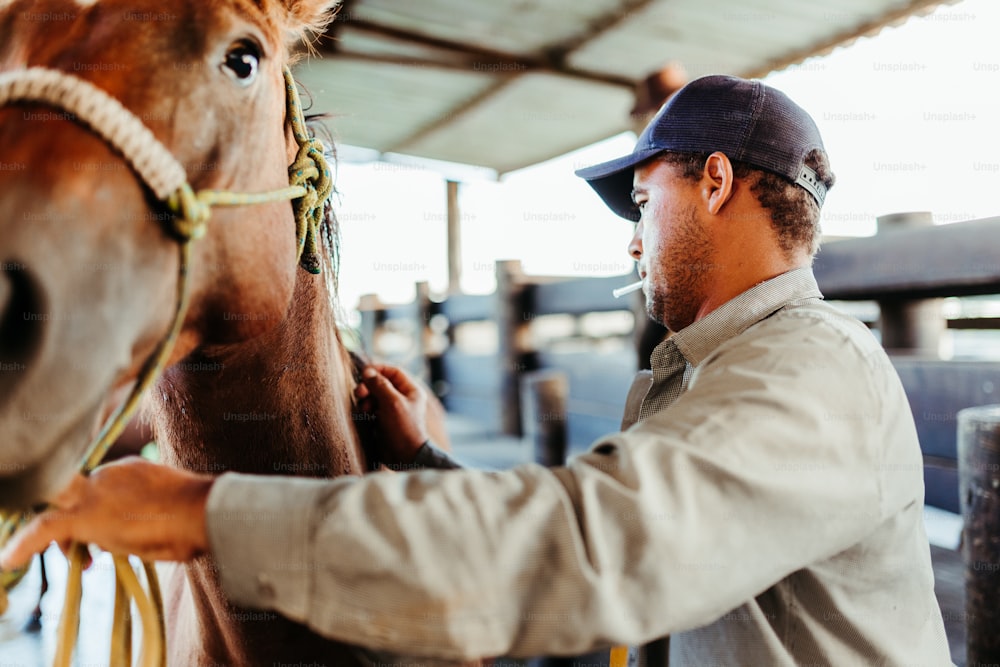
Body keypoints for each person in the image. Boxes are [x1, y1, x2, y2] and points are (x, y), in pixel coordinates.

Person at [1, 75, 953, 665]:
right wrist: (422, 466)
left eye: (642, 201)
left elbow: (599, 546)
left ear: (713, 181)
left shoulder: (813, 373)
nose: (634, 244)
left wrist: (196, 512)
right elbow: (634, 550)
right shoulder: (714, 368)